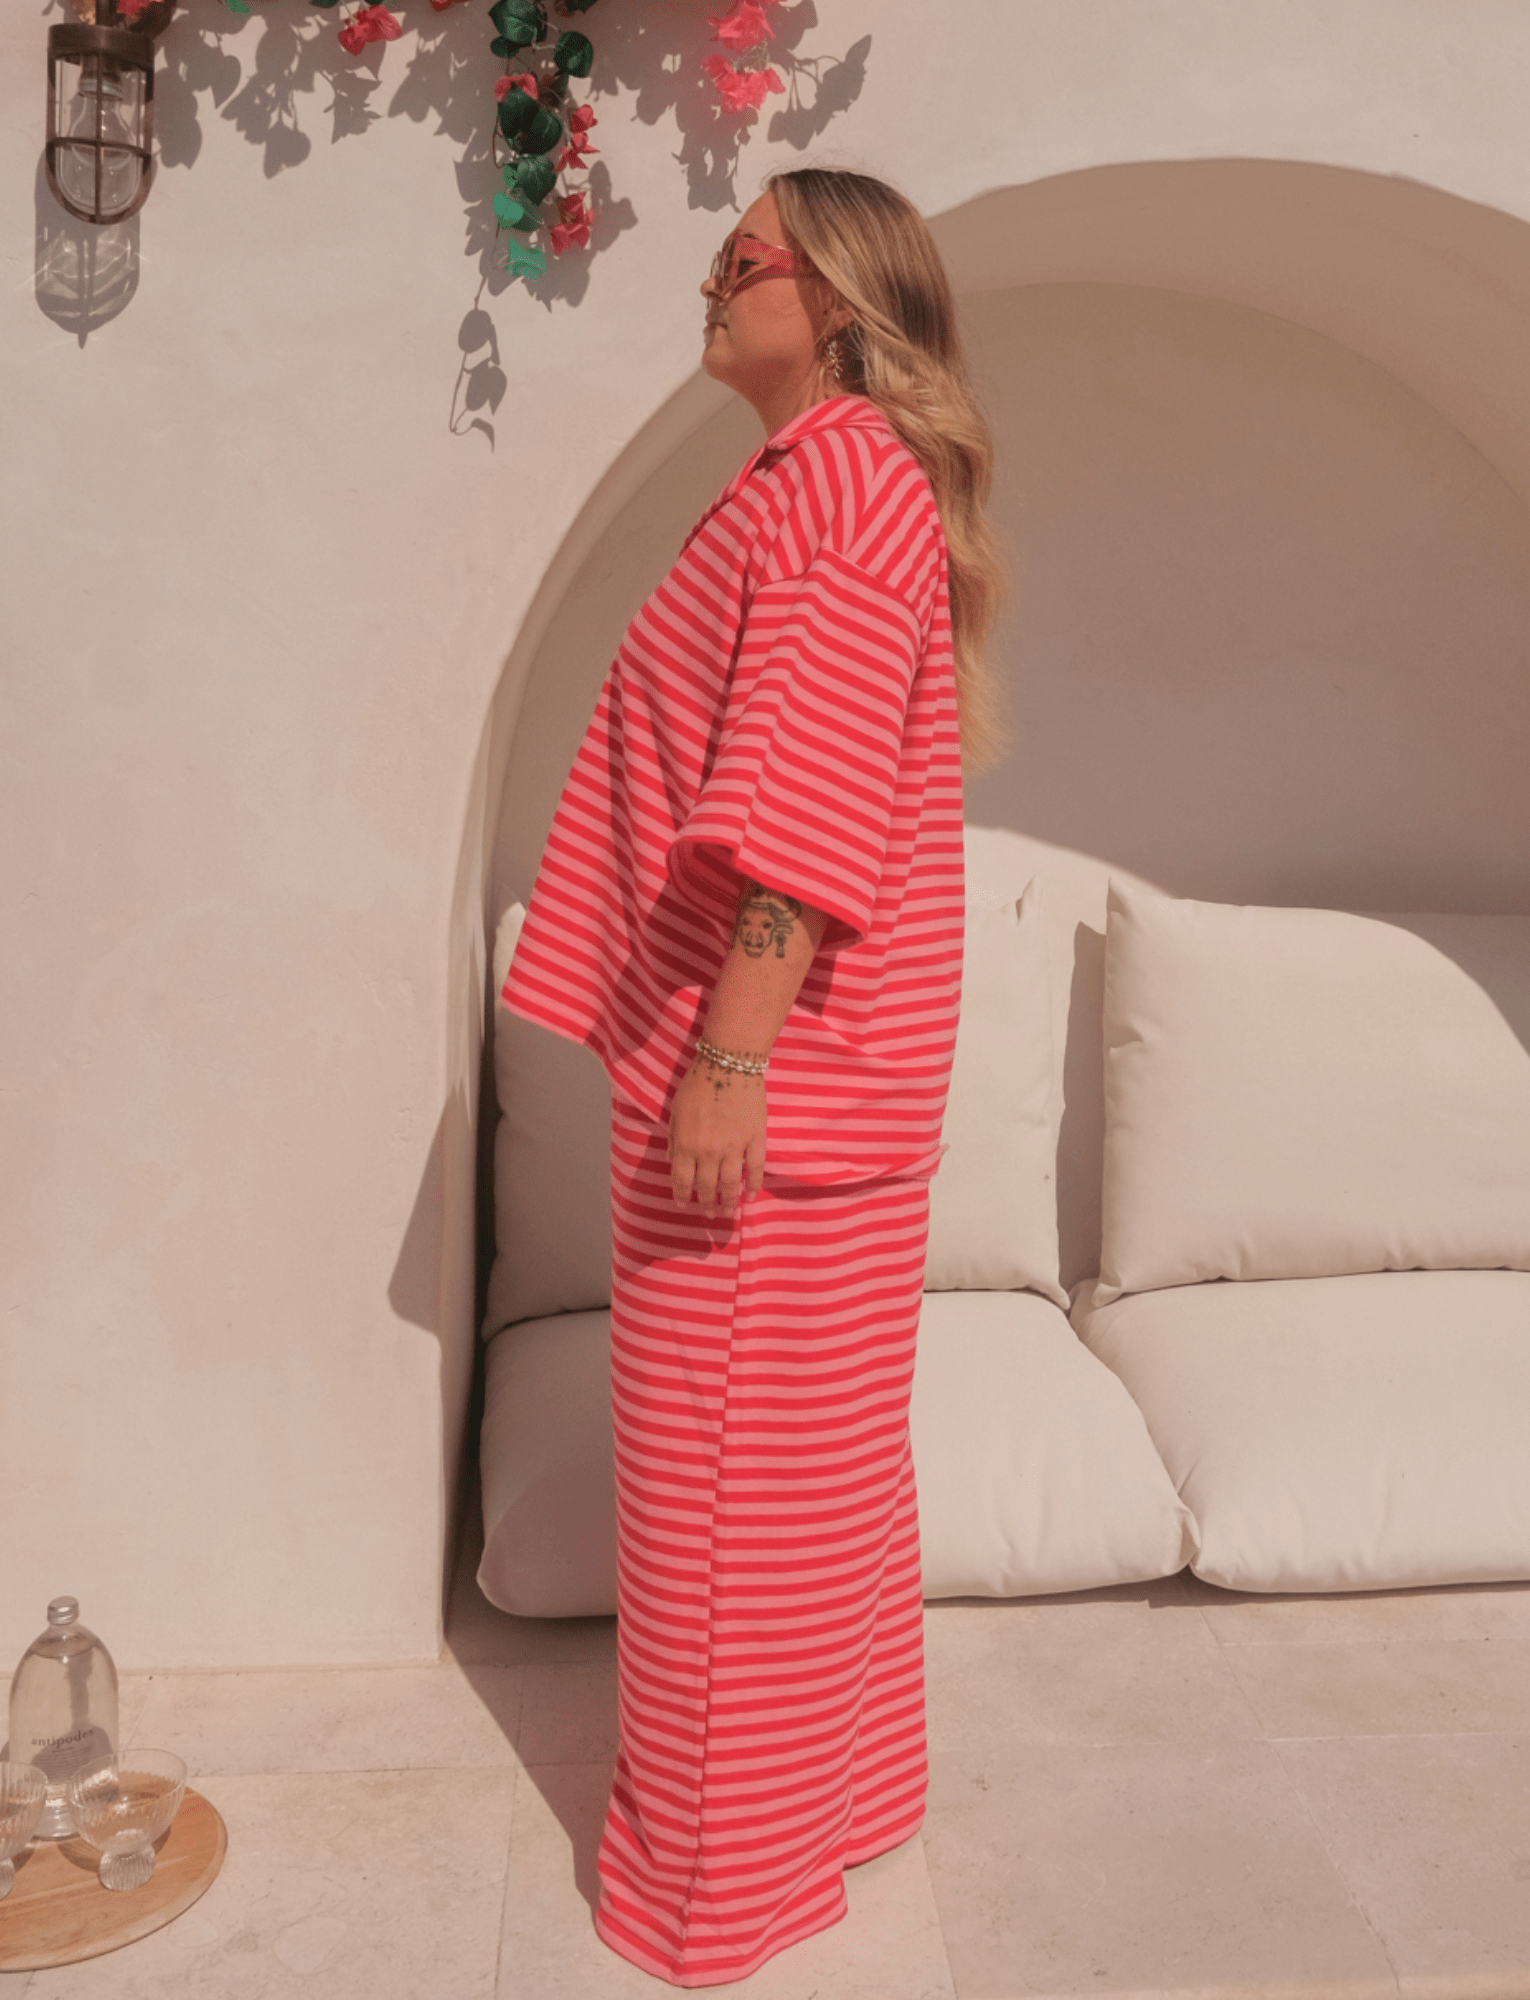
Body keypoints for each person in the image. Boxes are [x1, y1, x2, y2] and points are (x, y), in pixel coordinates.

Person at [501, 165, 1004, 1987]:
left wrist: (727, 1058)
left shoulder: (841, 487)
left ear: (838, 304)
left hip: (773, 1097)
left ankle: (717, 1891)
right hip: (817, 1094)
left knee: (722, 1498)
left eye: (742, 260)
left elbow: (804, 813)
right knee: (809, 1478)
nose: (710, 285)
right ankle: (841, 1805)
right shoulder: (821, 481)